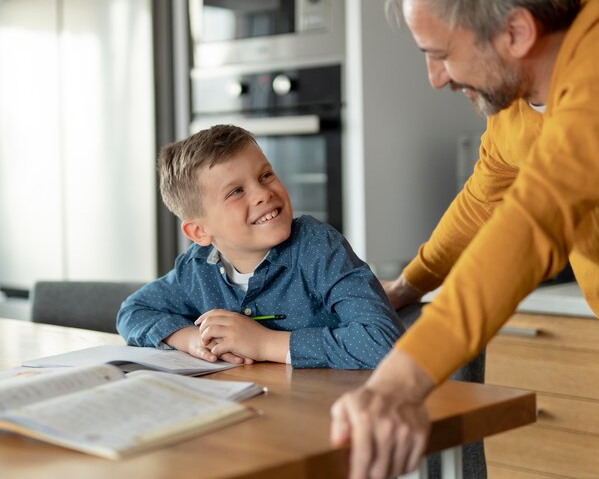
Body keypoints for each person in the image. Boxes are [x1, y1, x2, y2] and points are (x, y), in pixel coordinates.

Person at [330, 0, 599, 477]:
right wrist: (411, 283)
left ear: (515, 31)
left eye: (441, 54)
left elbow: (537, 218)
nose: (435, 77)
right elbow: (484, 200)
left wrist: (399, 380)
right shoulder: (514, 111)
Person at [116, 125, 403, 369]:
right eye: (236, 191)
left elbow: (384, 342)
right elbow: (132, 311)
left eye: (265, 175)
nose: (264, 193)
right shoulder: (196, 268)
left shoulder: (318, 247)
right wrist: (190, 338)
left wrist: (264, 344)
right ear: (199, 231)